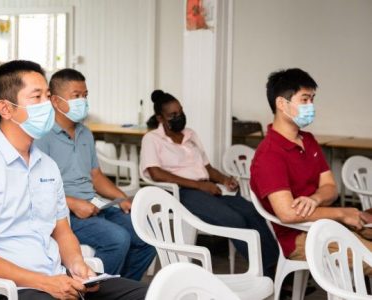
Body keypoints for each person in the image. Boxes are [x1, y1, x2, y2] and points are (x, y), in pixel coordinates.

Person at [0, 60, 147, 300]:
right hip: (8, 291)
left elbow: (62, 231)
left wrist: (77, 266)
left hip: (58, 281)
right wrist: (46, 283)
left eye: (48, 96)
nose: (48, 104)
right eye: (37, 97)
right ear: (5, 109)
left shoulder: (47, 166)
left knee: (153, 294)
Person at [140, 89, 279, 278]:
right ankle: (264, 272)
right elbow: (155, 173)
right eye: (172, 115)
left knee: (251, 211)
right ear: (160, 118)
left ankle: (276, 268)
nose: (179, 117)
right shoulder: (152, 139)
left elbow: (207, 167)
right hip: (182, 193)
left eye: (180, 112)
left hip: (209, 188)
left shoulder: (191, 134)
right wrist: (198, 186)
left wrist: (224, 180)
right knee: (234, 219)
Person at [35, 68, 156, 281]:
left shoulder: (85, 133)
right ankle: (98, 292)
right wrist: (72, 204)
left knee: (148, 235)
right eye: (76, 96)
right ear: (55, 100)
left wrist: (121, 199)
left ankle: (122, 289)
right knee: (118, 239)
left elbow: (96, 176)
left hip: (95, 205)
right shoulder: (42, 137)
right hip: (64, 212)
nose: (83, 101)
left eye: (85, 95)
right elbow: (37, 187)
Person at [250, 68, 372, 273]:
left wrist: (315, 199)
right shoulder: (269, 154)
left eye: (312, 99)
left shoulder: (309, 140)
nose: (311, 106)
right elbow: (288, 214)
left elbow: (330, 188)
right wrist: (341, 213)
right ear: (282, 104)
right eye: (305, 99)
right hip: (298, 236)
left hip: (324, 222)